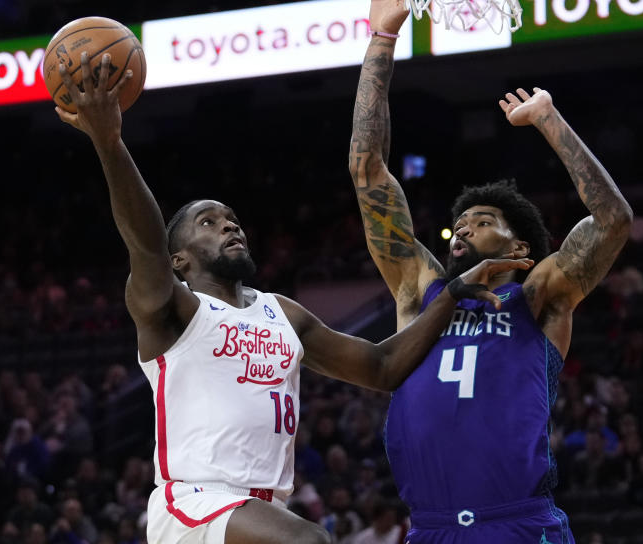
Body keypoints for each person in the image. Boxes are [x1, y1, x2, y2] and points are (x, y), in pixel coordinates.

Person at [54, 51, 531, 544]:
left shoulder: (281, 312)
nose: (229, 225)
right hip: (196, 503)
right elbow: (146, 243)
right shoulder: (173, 310)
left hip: (260, 508)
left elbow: (383, 367)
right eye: (208, 223)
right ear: (179, 260)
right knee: (313, 542)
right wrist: (110, 144)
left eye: (231, 218)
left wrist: (451, 294)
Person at [348, 0, 632, 543]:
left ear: (521, 245)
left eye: (484, 219)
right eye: (462, 223)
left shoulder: (541, 297)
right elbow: (367, 170)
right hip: (429, 529)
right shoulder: (420, 288)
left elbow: (612, 221)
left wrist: (551, 121)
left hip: (520, 526)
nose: (468, 226)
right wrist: (381, 38)